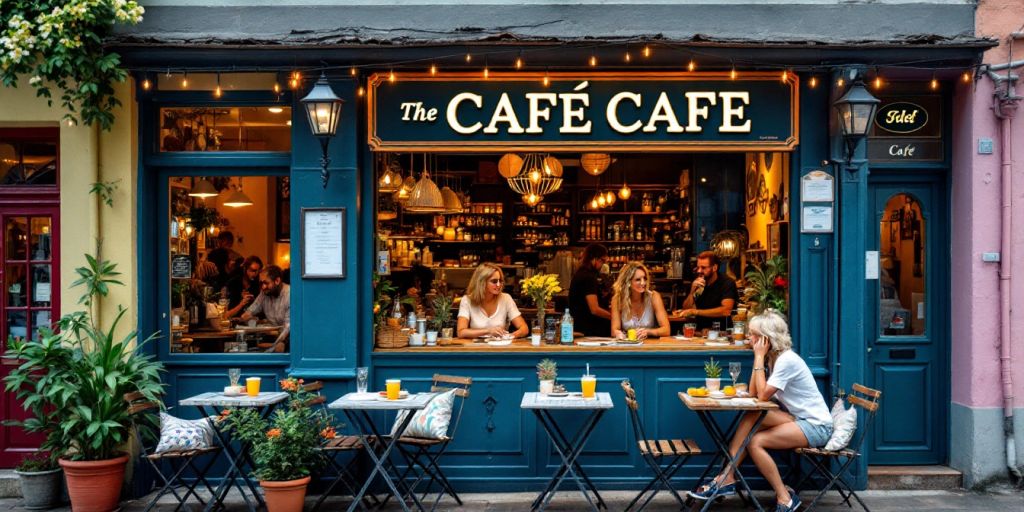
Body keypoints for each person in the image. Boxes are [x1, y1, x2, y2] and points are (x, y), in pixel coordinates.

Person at [688, 310, 833, 512]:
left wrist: (758, 356)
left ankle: (785, 499)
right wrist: (760, 358)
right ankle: (726, 476)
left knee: (756, 441)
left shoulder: (787, 360)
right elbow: (755, 394)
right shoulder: (775, 358)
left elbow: (762, 396)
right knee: (752, 414)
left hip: (815, 426)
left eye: (753, 334)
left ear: (766, 338)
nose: (749, 337)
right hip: (797, 419)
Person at [456, 262, 528, 339]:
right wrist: (488, 331)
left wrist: (511, 336)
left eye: (500, 281)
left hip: (499, 348)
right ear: (482, 282)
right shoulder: (467, 300)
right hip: (476, 348)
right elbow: (461, 332)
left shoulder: (506, 298)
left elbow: (524, 328)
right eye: (494, 281)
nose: (498, 285)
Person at [675, 250, 739, 331]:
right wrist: (692, 292)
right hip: (700, 332)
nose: (699, 271)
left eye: (703, 268)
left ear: (715, 267)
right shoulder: (699, 283)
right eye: (698, 267)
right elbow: (686, 309)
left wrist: (696, 312)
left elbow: (726, 310)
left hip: (722, 333)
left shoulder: (726, 283)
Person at [610, 262, 671, 339]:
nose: (643, 283)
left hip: (650, 345)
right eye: (638, 280)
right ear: (628, 282)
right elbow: (614, 330)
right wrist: (618, 334)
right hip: (628, 345)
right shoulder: (617, 300)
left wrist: (648, 332)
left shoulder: (653, 297)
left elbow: (666, 330)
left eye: (644, 278)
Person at [240, 265, 290, 352]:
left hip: (289, 340)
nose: (263, 287)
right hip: (273, 339)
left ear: (277, 281)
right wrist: (251, 319)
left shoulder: (290, 294)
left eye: (266, 283)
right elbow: (247, 314)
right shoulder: (264, 294)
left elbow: (288, 328)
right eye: (261, 283)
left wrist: (271, 350)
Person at [569, 244, 612, 336]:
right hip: (589, 329)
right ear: (594, 258)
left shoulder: (581, 273)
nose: (603, 265)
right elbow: (594, 309)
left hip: (580, 326)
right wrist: (613, 317)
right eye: (602, 261)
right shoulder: (588, 277)